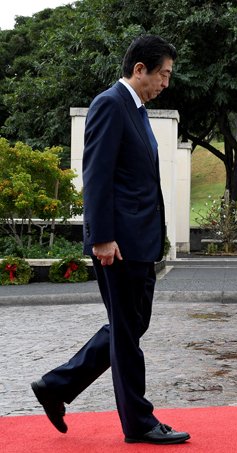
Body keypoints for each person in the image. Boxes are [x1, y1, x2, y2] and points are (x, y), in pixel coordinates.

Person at [30, 35, 190, 445]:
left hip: (140, 242)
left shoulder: (136, 111)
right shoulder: (110, 104)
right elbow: (96, 176)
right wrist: (101, 238)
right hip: (117, 245)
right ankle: (139, 423)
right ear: (140, 69)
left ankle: (57, 386)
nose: (166, 84)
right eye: (164, 75)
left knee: (131, 325)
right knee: (125, 332)